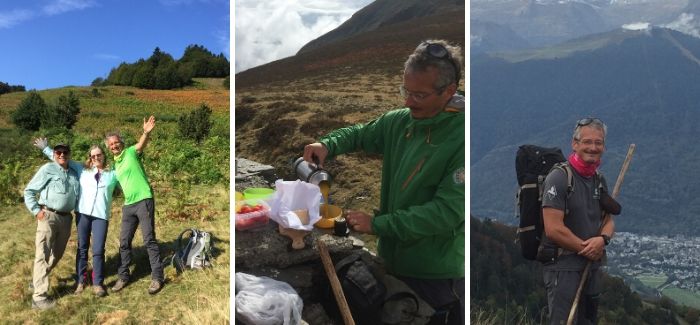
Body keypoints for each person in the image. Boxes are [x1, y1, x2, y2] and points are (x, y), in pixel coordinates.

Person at [303, 40, 465, 324]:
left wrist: (377, 225)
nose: (407, 101)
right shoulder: (400, 122)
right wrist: (327, 145)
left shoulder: (462, 137)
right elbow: (360, 134)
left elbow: (446, 213)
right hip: (392, 261)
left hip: (435, 275)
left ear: (449, 91)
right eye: (405, 91)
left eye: (419, 95)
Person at [540, 117, 615, 324]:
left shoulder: (599, 180)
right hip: (563, 268)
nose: (593, 147)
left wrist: (603, 240)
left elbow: (608, 221)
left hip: (591, 267)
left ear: (604, 147)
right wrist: (587, 248)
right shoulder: (559, 177)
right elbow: (553, 229)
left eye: (598, 143)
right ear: (575, 144)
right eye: (587, 142)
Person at [34, 139, 119, 297]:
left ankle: (98, 283)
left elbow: (127, 180)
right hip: (83, 214)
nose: (96, 158)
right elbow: (61, 158)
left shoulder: (112, 174)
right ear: (89, 158)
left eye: (98, 155)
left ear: (104, 156)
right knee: (82, 249)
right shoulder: (82, 170)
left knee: (99, 250)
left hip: (101, 216)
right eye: (92, 156)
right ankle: (81, 281)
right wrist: (46, 148)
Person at [106, 115, 164, 294]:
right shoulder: (115, 165)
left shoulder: (131, 152)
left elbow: (141, 144)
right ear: (109, 148)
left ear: (120, 143)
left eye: (116, 142)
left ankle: (157, 277)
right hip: (128, 205)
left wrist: (145, 133)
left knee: (149, 239)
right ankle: (123, 276)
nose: (114, 146)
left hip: (144, 200)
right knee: (124, 242)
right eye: (111, 145)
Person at [24, 143, 80, 310]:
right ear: (54, 154)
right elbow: (29, 191)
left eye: (65, 152)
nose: (62, 154)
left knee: (57, 255)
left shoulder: (74, 171)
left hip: (66, 219)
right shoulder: (48, 168)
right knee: (43, 253)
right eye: (58, 152)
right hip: (48, 216)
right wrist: (36, 211)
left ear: (69, 154)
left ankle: (37, 280)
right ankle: (39, 298)